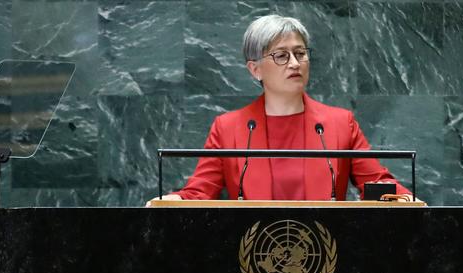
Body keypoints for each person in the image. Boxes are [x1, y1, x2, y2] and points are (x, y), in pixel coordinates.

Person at [148, 14, 411, 204]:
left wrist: (402, 197)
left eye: (300, 53)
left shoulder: (340, 123)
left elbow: (376, 183)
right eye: (281, 55)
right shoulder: (228, 128)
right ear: (255, 69)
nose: (295, 63)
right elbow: (200, 192)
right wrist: (171, 200)